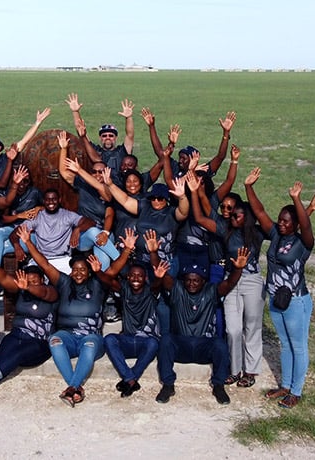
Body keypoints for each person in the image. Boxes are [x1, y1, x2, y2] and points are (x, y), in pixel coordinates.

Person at [17, 224, 114, 407]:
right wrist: (28, 242)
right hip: (67, 336)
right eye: (75, 269)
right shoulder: (64, 282)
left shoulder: (97, 284)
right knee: (54, 340)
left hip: (90, 338)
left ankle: (72, 386)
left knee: (90, 344)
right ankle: (75, 388)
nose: (78, 273)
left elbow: (113, 277)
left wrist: (99, 271)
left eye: (83, 269)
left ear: (89, 271)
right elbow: (44, 264)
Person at [245, 169, 315, 409]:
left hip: (296, 301)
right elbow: (259, 212)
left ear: (296, 224)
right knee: (284, 344)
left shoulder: (303, 242)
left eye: (287, 221)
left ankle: (296, 391)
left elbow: (306, 226)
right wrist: (249, 187)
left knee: (298, 346)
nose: (282, 224)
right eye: (281, 220)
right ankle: (285, 386)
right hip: (276, 298)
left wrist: (297, 199)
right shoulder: (276, 235)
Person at [189, 170, 265, 390]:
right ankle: (234, 369)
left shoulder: (258, 233)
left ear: (246, 216)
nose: (232, 217)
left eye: (237, 215)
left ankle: (250, 371)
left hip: (251, 281)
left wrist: (250, 187)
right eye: (232, 215)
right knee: (232, 328)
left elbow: (260, 211)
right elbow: (201, 218)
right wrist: (195, 192)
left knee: (251, 327)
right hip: (231, 279)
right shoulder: (225, 229)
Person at [0, 240, 58, 404]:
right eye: (27, 281)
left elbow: (43, 293)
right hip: (16, 335)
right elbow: (4, 278)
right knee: (4, 360)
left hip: (38, 343)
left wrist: (28, 287)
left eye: (34, 281)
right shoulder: (22, 290)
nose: (30, 283)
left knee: (17, 356)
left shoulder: (51, 292)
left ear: (43, 280)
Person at [155, 246, 250, 406]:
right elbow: (161, 273)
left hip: (203, 347)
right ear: (183, 280)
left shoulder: (211, 291)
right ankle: (168, 385)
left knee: (219, 343)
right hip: (181, 346)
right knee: (165, 340)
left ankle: (218, 386)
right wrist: (153, 253)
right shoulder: (177, 289)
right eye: (188, 280)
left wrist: (238, 269)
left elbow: (229, 283)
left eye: (196, 280)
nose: (191, 283)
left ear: (203, 281)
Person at [94, 229, 163, 397]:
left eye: (139, 276)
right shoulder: (124, 288)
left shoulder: (150, 290)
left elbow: (157, 283)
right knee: (109, 339)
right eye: (132, 276)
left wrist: (159, 275)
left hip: (145, 343)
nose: (136, 279)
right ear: (128, 278)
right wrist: (97, 271)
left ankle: (129, 379)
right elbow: (108, 280)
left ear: (145, 278)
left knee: (154, 343)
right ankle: (131, 379)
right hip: (127, 339)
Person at [56, 130, 120, 269]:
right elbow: (63, 172)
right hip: (83, 235)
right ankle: (122, 262)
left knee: (102, 263)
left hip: (104, 235)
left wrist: (105, 233)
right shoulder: (83, 185)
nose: (97, 175)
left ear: (107, 173)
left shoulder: (111, 189)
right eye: (94, 172)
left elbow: (109, 213)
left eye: (101, 172)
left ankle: (104, 289)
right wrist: (63, 149)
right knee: (92, 232)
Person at [8, 188, 95, 269]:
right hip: (41, 258)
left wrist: (77, 229)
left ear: (59, 200)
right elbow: (14, 233)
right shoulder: (37, 217)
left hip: (63, 258)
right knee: (31, 280)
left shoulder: (67, 215)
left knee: (67, 282)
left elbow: (91, 222)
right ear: (43, 201)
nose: (51, 202)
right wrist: (17, 246)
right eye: (48, 199)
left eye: (54, 199)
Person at [66, 93, 135, 172]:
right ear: (100, 138)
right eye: (104, 136)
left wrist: (128, 117)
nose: (107, 137)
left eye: (111, 135)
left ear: (116, 137)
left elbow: (130, 135)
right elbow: (81, 132)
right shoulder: (94, 150)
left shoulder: (122, 151)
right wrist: (75, 112)